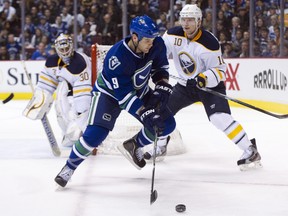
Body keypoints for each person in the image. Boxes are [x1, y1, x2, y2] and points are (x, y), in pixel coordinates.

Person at [54, 15, 176, 187]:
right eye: (147, 40)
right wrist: (145, 112)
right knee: (95, 135)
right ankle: (69, 168)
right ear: (135, 37)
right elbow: (124, 96)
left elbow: (160, 68)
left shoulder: (156, 44)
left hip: (139, 89)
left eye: (153, 39)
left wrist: (162, 86)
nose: (151, 44)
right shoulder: (116, 57)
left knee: (168, 124)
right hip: (109, 94)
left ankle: (135, 145)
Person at [162, 4, 262, 171]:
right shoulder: (172, 35)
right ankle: (161, 145)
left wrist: (203, 78)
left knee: (218, 117)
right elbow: (160, 52)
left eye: (190, 20)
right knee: (162, 111)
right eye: (184, 19)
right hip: (184, 85)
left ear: (199, 21)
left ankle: (250, 150)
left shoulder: (209, 42)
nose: (186, 24)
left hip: (209, 86)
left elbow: (220, 70)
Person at [23, 33, 92, 148]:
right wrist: (40, 102)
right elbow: (46, 84)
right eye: (62, 49)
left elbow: (83, 96)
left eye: (66, 48)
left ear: (71, 47)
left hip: (86, 90)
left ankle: (84, 134)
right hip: (67, 90)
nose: (64, 52)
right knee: (61, 112)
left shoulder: (79, 62)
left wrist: (81, 114)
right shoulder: (51, 62)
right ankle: (69, 135)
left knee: (79, 116)